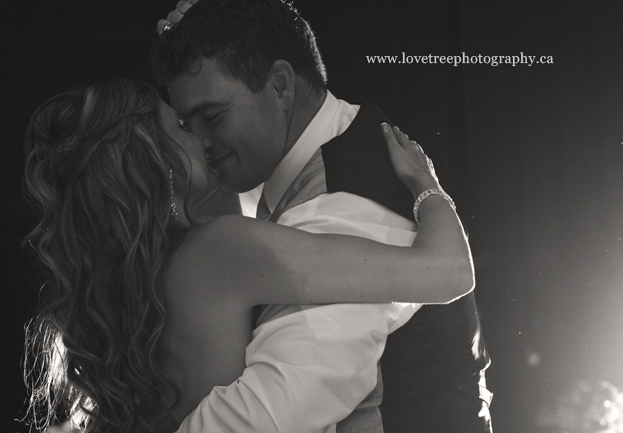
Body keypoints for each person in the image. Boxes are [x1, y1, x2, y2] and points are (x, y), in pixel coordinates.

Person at [23, 79, 472, 433]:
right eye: (180, 126)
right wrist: (426, 188)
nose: (202, 136)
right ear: (148, 154)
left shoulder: (125, 292)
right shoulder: (222, 250)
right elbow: (448, 272)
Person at [152, 1, 492, 432]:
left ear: (279, 85)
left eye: (212, 117)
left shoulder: (340, 208)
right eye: (185, 124)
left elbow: (261, 422)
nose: (200, 142)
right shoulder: (326, 144)